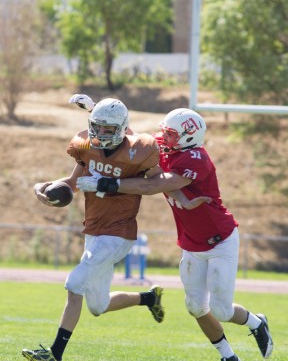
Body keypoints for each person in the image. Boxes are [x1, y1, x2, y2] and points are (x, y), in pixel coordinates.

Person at [75, 97, 273, 361]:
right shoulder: (166, 146)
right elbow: (127, 136)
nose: (163, 138)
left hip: (219, 241)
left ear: (188, 137)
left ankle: (257, 323)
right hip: (191, 242)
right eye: (165, 132)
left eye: (170, 134)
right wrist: (94, 109)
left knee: (222, 310)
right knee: (195, 307)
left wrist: (105, 186)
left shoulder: (196, 159)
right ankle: (228, 356)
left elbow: (151, 186)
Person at [22, 98, 209, 361]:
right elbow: (73, 182)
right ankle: (148, 299)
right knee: (98, 306)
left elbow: (157, 182)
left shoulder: (139, 150)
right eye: (96, 127)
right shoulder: (85, 145)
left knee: (74, 283)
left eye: (108, 129)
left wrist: (185, 198)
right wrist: (40, 187)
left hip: (118, 233)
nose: (100, 134)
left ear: (121, 128)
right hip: (94, 230)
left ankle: (55, 354)